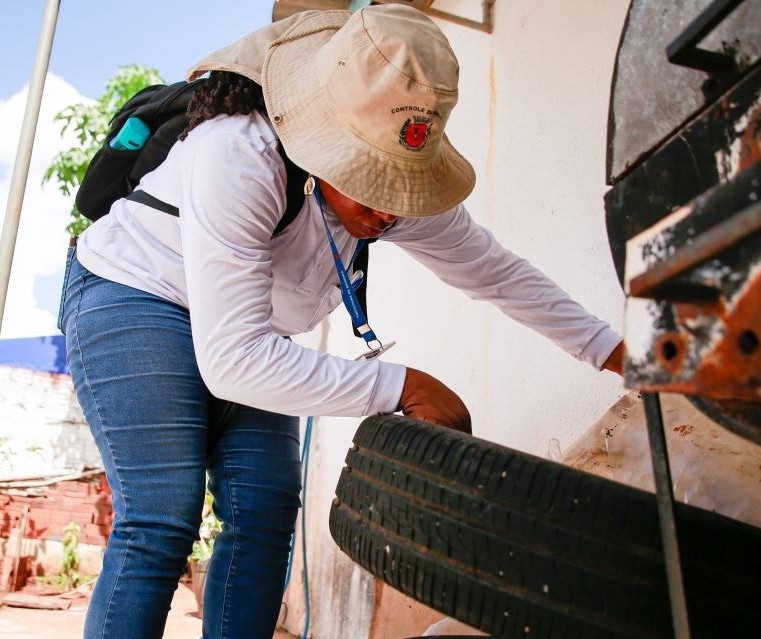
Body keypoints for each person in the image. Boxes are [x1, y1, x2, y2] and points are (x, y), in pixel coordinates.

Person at [58, 5, 623, 639]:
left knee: (266, 509)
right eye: (369, 180)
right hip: (136, 296)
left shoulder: (397, 190)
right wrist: (402, 385)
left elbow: (497, 273)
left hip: (247, 334)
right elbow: (235, 361)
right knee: (162, 514)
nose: (389, 209)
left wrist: (619, 353)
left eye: (399, 184)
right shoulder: (239, 155)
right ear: (322, 142)